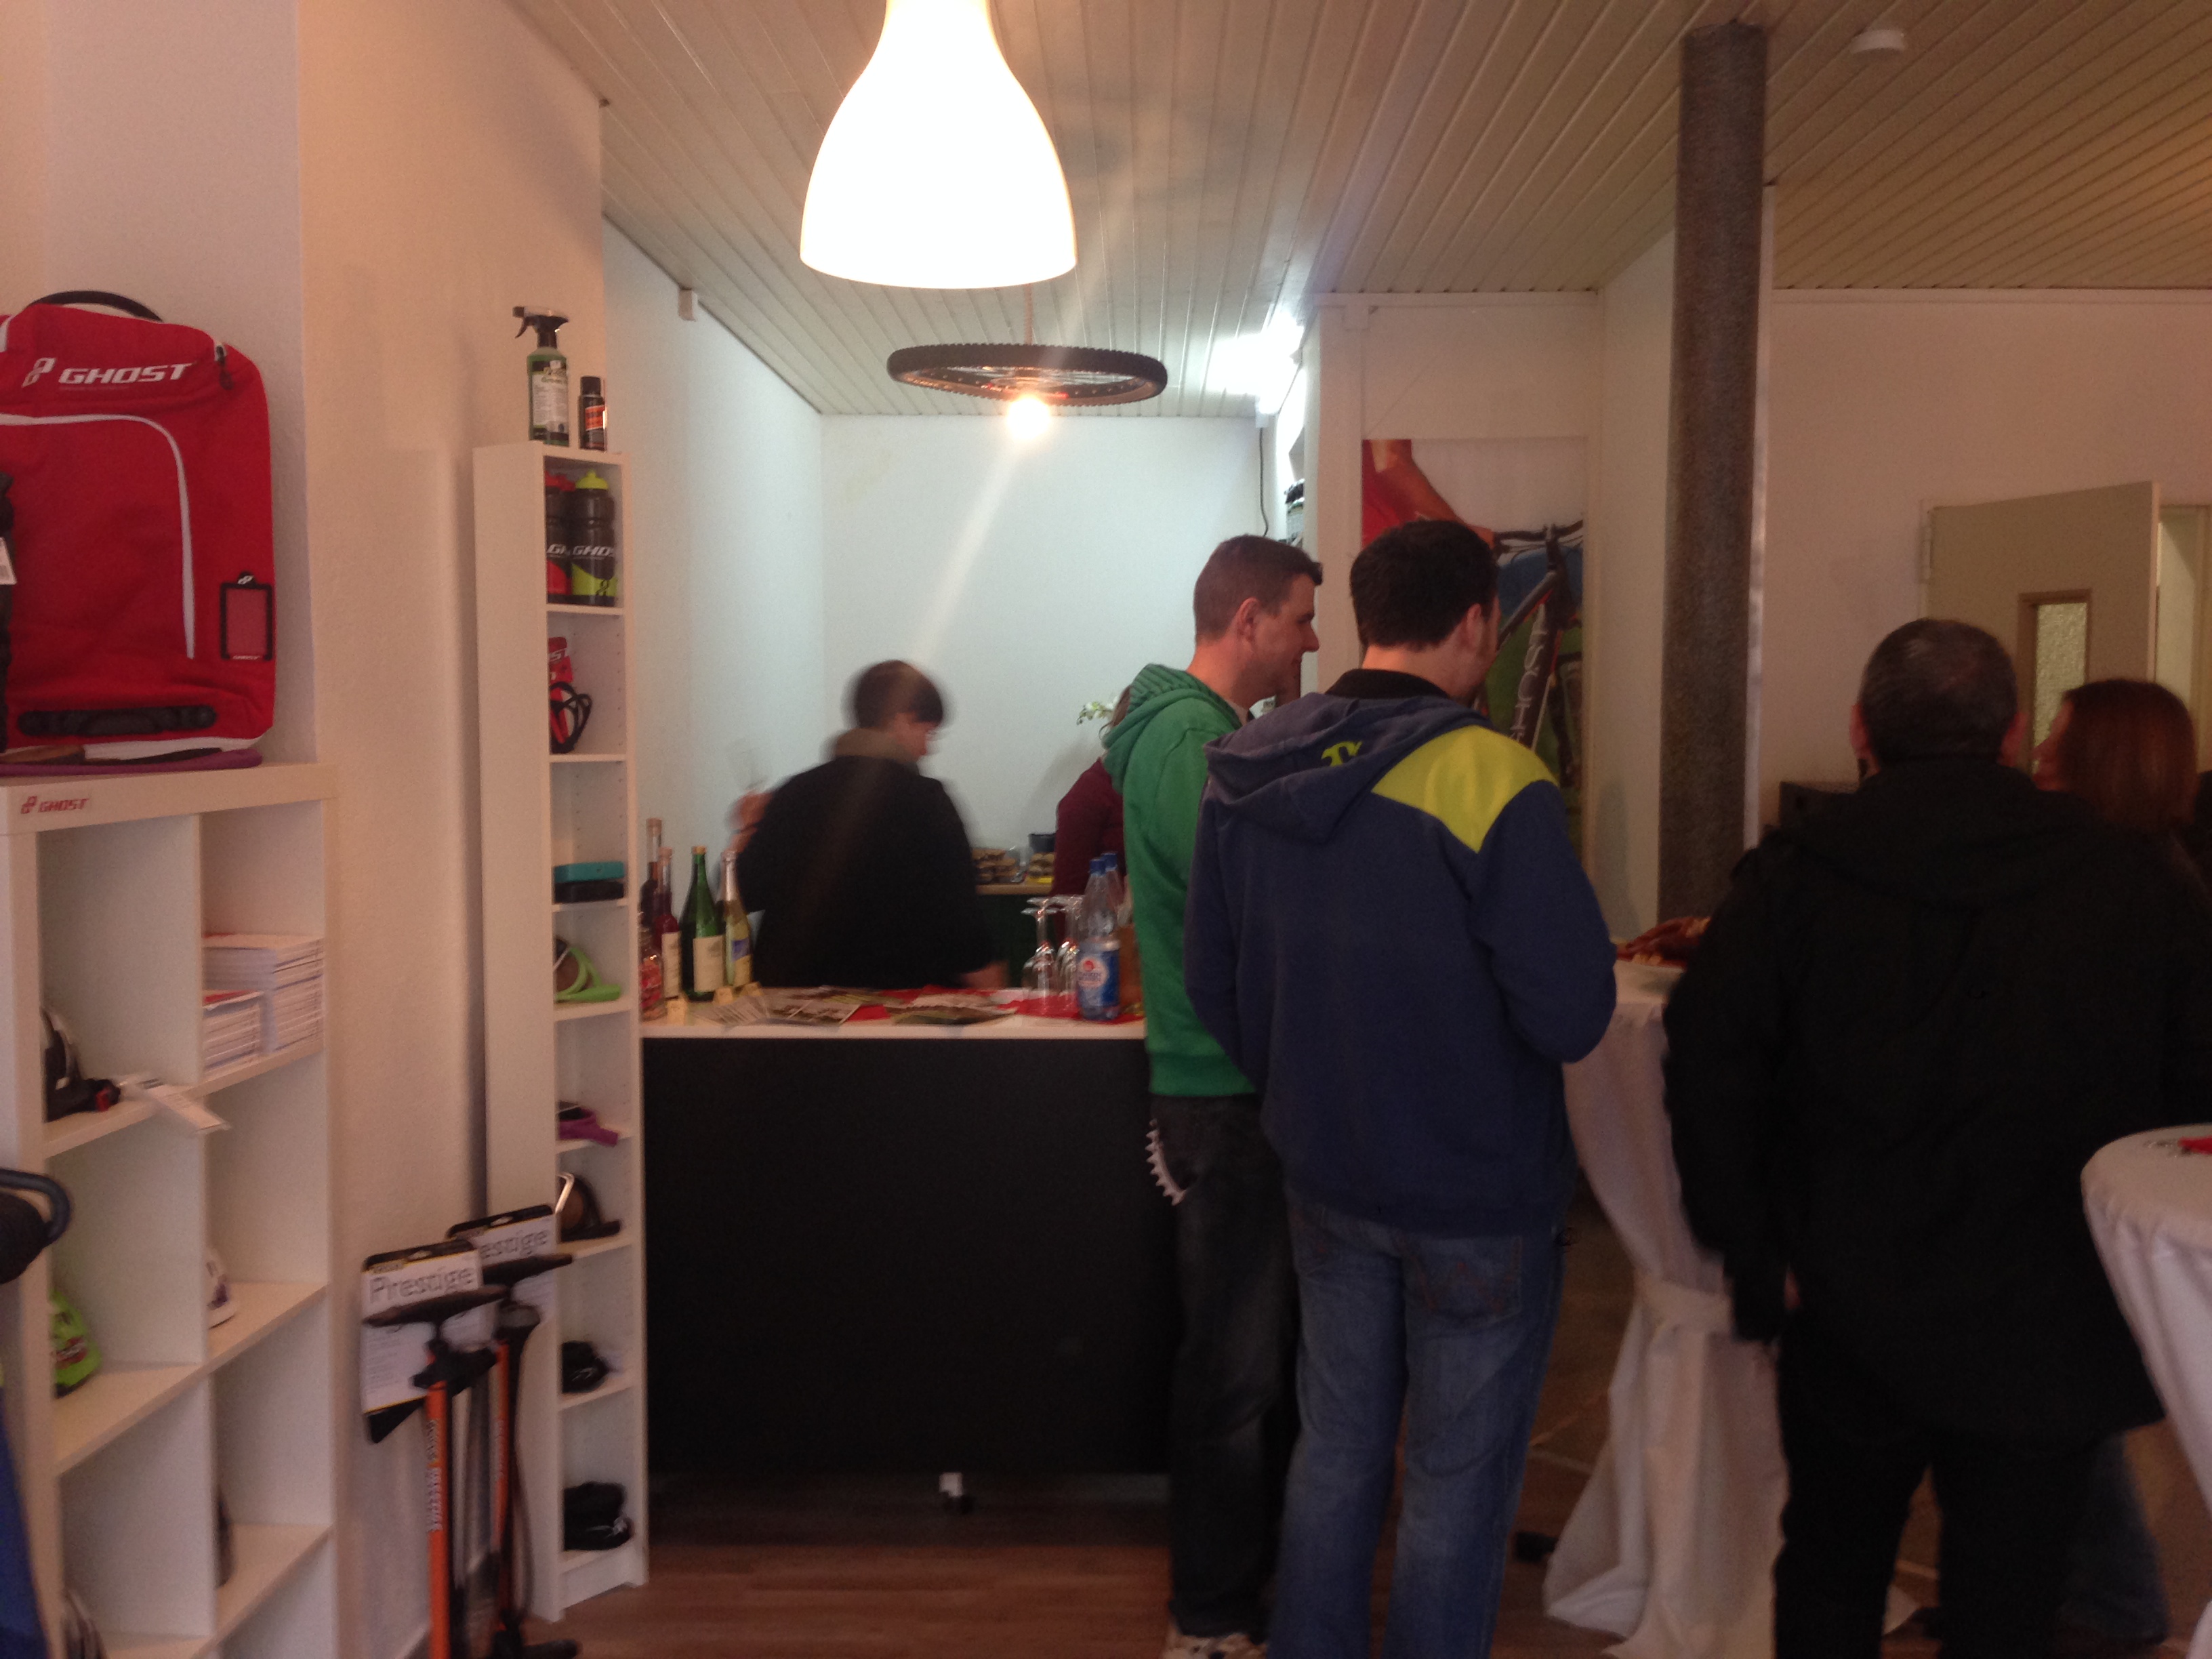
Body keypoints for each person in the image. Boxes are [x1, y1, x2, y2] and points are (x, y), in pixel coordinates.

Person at [1666, 621, 2212, 1659]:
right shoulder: (2135, 882)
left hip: (1846, 1294)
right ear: (2012, 734)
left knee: (1830, 1570)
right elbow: (2192, 1097)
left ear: (1861, 730)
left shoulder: (1794, 875)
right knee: (2011, 1603)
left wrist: (1753, 1246)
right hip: (2049, 1302)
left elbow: (1708, 1067)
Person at [1185, 518, 1617, 1658]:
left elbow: (1212, 984)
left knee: (1334, 1448)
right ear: (1477, 623)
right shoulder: (1492, 777)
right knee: (1453, 1478)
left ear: (1366, 621)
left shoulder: (1248, 766)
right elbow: (1572, 1013)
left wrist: (1301, 1082)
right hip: (1475, 1190)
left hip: (1324, 1175)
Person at [1101, 534, 1321, 1659]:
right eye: (1299, 618)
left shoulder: (1197, 732)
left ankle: (1236, 1595)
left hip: (1229, 1087)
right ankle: (1208, 1617)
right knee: (1232, 1376)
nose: (1309, 642)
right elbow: (1244, 897)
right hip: (1222, 1092)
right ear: (1248, 621)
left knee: (1248, 1365)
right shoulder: (1190, 738)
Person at [2029, 676, 2196, 1656]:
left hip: (2098, 1189)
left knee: (2066, 1411)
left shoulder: (2135, 896)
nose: (2040, 757)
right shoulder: (2148, 880)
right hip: (2093, 1182)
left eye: (2060, 743)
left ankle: (2113, 1606)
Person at [735, 660, 999, 990]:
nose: (927, 748)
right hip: (900, 1005)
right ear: (900, 719)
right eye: (928, 732)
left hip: (794, 1004)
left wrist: (748, 830)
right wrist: (993, 989)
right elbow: (962, 923)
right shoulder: (926, 801)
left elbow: (740, 894)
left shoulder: (793, 793)